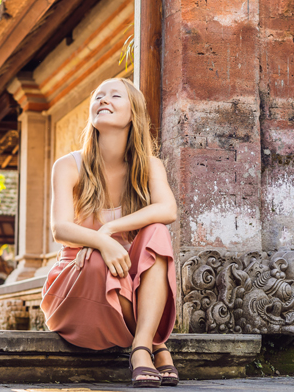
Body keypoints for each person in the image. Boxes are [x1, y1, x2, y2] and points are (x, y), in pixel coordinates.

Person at [41, 78, 179, 388]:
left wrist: (111, 229)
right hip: (79, 277)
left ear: (134, 113)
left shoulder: (150, 166)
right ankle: (155, 344)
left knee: (156, 232)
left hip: (126, 276)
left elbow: (168, 211)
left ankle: (140, 348)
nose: (103, 99)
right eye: (98, 96)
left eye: (115, 95)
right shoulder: (69, 165)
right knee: (100, 261)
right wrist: (102, 243)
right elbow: (60, 229)